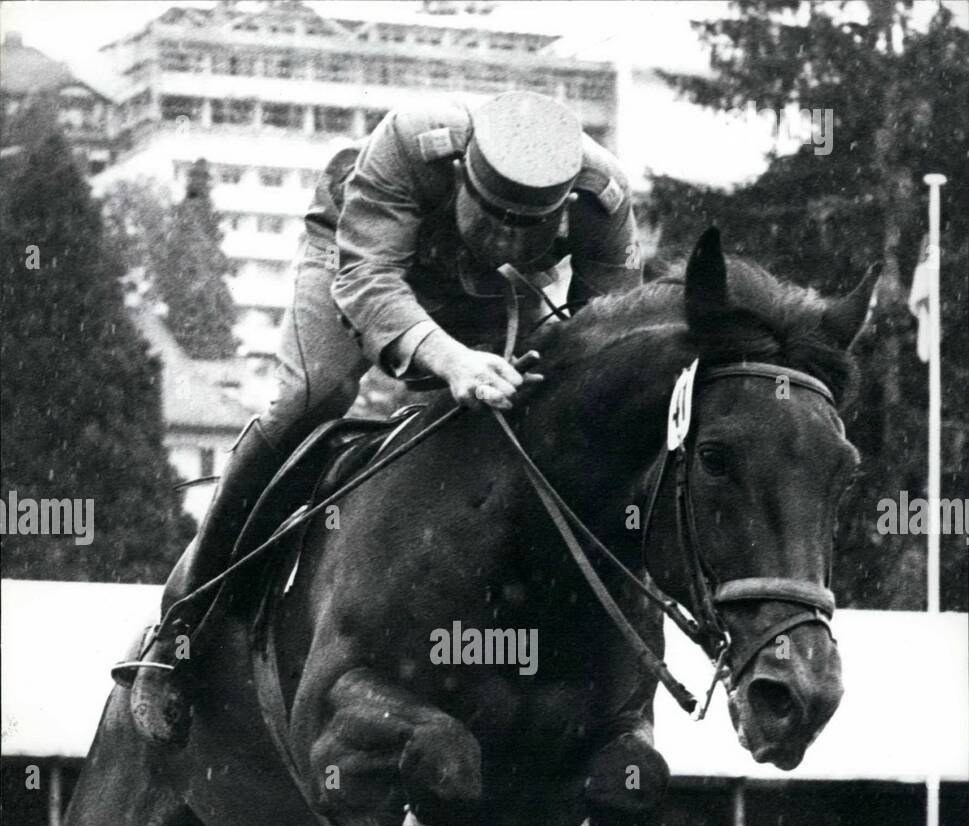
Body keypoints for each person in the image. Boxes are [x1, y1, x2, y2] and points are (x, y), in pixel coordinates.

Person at [124, 90, 642, 745]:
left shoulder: (603, 201)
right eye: (492, 220)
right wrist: (452, 361)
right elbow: (370, 285)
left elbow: (601, 343)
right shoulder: (414, 144)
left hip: (491, 295)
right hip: (362, 255)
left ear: (565, 209)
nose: (505, 240)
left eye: (525, 228)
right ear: (461, 179)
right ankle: (183, 624)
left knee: (533, 423)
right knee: (312, 401)